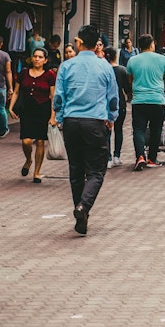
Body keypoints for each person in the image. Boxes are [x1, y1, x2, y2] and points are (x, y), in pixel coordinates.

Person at [53, 25, 119, 236]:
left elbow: (59, 98)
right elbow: (113, 98)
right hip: (95, 123)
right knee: (96, 171)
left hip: (72, 122)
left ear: (80, 43)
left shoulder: (66, 66)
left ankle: (81, 212)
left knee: (76, 170)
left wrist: (60, 117)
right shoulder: (105, 67)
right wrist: (111, 118)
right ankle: (83, 207)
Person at [9, 47, 55, 183]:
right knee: (26, 141)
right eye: (35, 56)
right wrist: (11, 108)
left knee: (40, 141)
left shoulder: (50, 75)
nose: (37, 59)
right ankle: (28, 160)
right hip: (27, 110)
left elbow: (53, 96)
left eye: (40, 57)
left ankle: (36, 172)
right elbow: (16, 92)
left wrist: (53, 116)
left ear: (45, 60)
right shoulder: (24, 72)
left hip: (43, 110)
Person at [126, 34, 165, 171]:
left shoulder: (132, 61)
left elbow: (130, 80)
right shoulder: (162, 59)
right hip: (157, 100)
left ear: (139, 46)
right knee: (155, 129)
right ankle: (152, 158)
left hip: (139, 100)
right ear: (152, 45)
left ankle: (140, 156)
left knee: (138, 129)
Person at [105, 47, 131, 168]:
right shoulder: (122, 70)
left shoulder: (103, 69)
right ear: (116, 56)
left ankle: (108, 158)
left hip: (105, 104)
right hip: (120, 103)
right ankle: (117, 156)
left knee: (107, 132)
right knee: (118, 130)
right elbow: (127, 88)